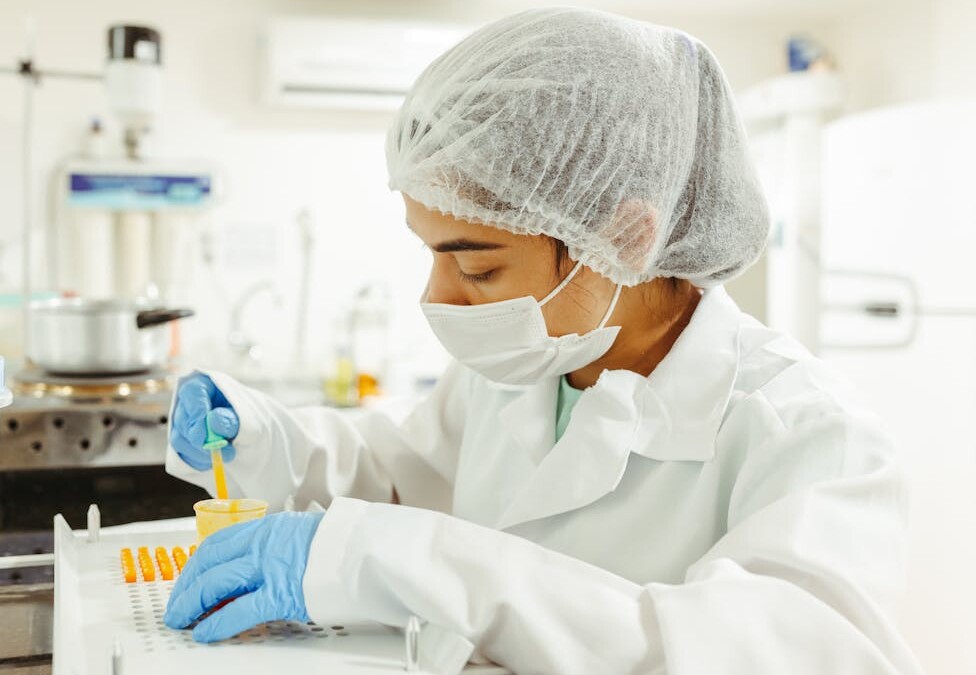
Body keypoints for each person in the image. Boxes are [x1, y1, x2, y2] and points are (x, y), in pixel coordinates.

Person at [162, 7, 922, 674]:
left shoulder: (813, 438)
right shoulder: (525, 371)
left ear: (622, 236)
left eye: (478, 266)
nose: (437, 296)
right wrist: (260, 437)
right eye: (432, 255)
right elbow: (399, 474)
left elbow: (735, 654)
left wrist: (400, 560)